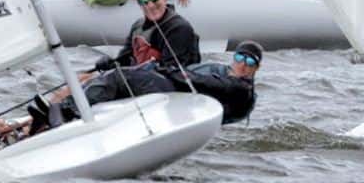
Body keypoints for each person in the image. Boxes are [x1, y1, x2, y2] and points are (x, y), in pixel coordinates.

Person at [32, 0, 201, 130]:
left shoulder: (178, 28)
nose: (150, 4)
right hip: (141, 79)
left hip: (172, 87)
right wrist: (111, 63)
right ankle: (48, 111)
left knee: (116, 77)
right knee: (83, 78)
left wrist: (129, 71)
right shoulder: (138, 26)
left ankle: (67, 111)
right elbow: (125, 58)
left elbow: (173, 70)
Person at [108, 39, 264, 125]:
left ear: (256, 68)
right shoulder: (218, 69)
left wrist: (169, 71)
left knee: (122, 76)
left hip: (180, 102)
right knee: (124, 73)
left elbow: (203, 82)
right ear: (234, 58)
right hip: (179, 95)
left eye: (249, 61)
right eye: (239, 58)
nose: (243, 65)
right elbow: (191, 71)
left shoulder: (242, 89)